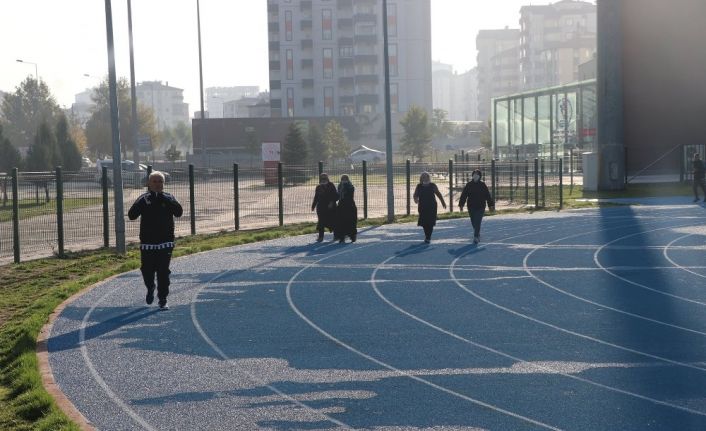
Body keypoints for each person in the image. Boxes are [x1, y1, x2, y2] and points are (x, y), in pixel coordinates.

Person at [128, 171, 183, 310]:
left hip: (166, 242)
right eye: (155, 181)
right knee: (147, 270)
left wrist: (167, 200)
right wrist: (141, 204)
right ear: (149, 183)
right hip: (148, 243)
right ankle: (150, 287)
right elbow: (131, 215)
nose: (158, 184)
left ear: (164, 184)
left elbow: (179, 212)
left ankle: (163, 299)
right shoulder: (144, 198)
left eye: (160, 182)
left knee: (163, 271)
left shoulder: (169, 197)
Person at [458, 169, 495, 244]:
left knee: (477, 221)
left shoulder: (482, 185)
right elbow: (464, 195)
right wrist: (461, 204)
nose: (475, 175)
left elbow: (487, 195)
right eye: (474, 174)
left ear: (480, 176)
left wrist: (490, 205)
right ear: (472, 175)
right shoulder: (469, 185)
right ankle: (477, 232)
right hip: (471, 206)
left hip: (481, 206)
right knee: (473, 222)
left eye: (477, 174)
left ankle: (476, 236)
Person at [413, 172, 447, 243]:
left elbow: (438, 194)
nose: (425, 178)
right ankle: (427, 235)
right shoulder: (419, 186)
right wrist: (416, 199)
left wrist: (443, 202)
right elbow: (415, 195)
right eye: (423, 177)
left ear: (429, 177)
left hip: (432, 206)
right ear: (421, 178)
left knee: (430, 222)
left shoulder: (432, 185)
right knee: (424, 222)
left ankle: (428, 237)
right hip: (422, 207)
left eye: (426, 176)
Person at [311, 173, 339, 242]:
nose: (323, 179)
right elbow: (316, 197)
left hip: (331, 207)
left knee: (333, 221)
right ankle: (320, 237)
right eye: (322, 178)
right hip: (321, 208)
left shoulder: (331, 185)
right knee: (321, 222)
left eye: (325, 178)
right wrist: (313, 205)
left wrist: (332, 202)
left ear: (327, 178)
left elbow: (336, 195)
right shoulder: (318, 187)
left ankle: (336, 236)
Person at [333, 174, 357, 243]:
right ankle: (341, 237)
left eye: (345, 179)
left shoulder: (351, 186)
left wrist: (345, 186)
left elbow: (350, 194)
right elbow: (338, 196)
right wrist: (333, 199)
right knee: (340, 222)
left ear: (348, 180)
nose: (344, 181)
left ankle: (352, 236)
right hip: (341, 206)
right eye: (343, 179)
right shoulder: (339, 186)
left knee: (351, 222)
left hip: (350, 206)